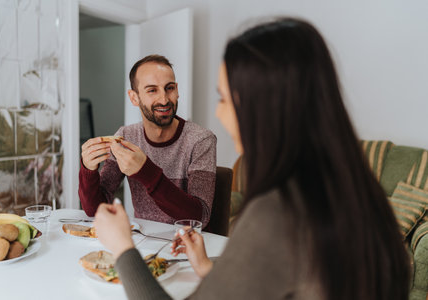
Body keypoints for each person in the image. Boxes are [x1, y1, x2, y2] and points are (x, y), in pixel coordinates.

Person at [94, 18, 410, 300]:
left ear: (264, 107)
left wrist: (123, 250)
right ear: (134, 97)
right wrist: (208, 267)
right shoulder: (352, 190)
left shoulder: (276, 213)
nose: (218, 112)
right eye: (152, 90)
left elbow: (212, 223)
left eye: (224, 99)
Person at [79, 55, 217, 227]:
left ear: (177, 90)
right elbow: (95, 210)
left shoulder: (201, 140)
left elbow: (199, 218)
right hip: (144, 241)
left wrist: (144, 170)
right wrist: (88, 169)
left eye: (169, 88)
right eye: (152, 90)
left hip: (187, 244)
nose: (164, 99)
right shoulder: (126, 137)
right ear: (134, 98)